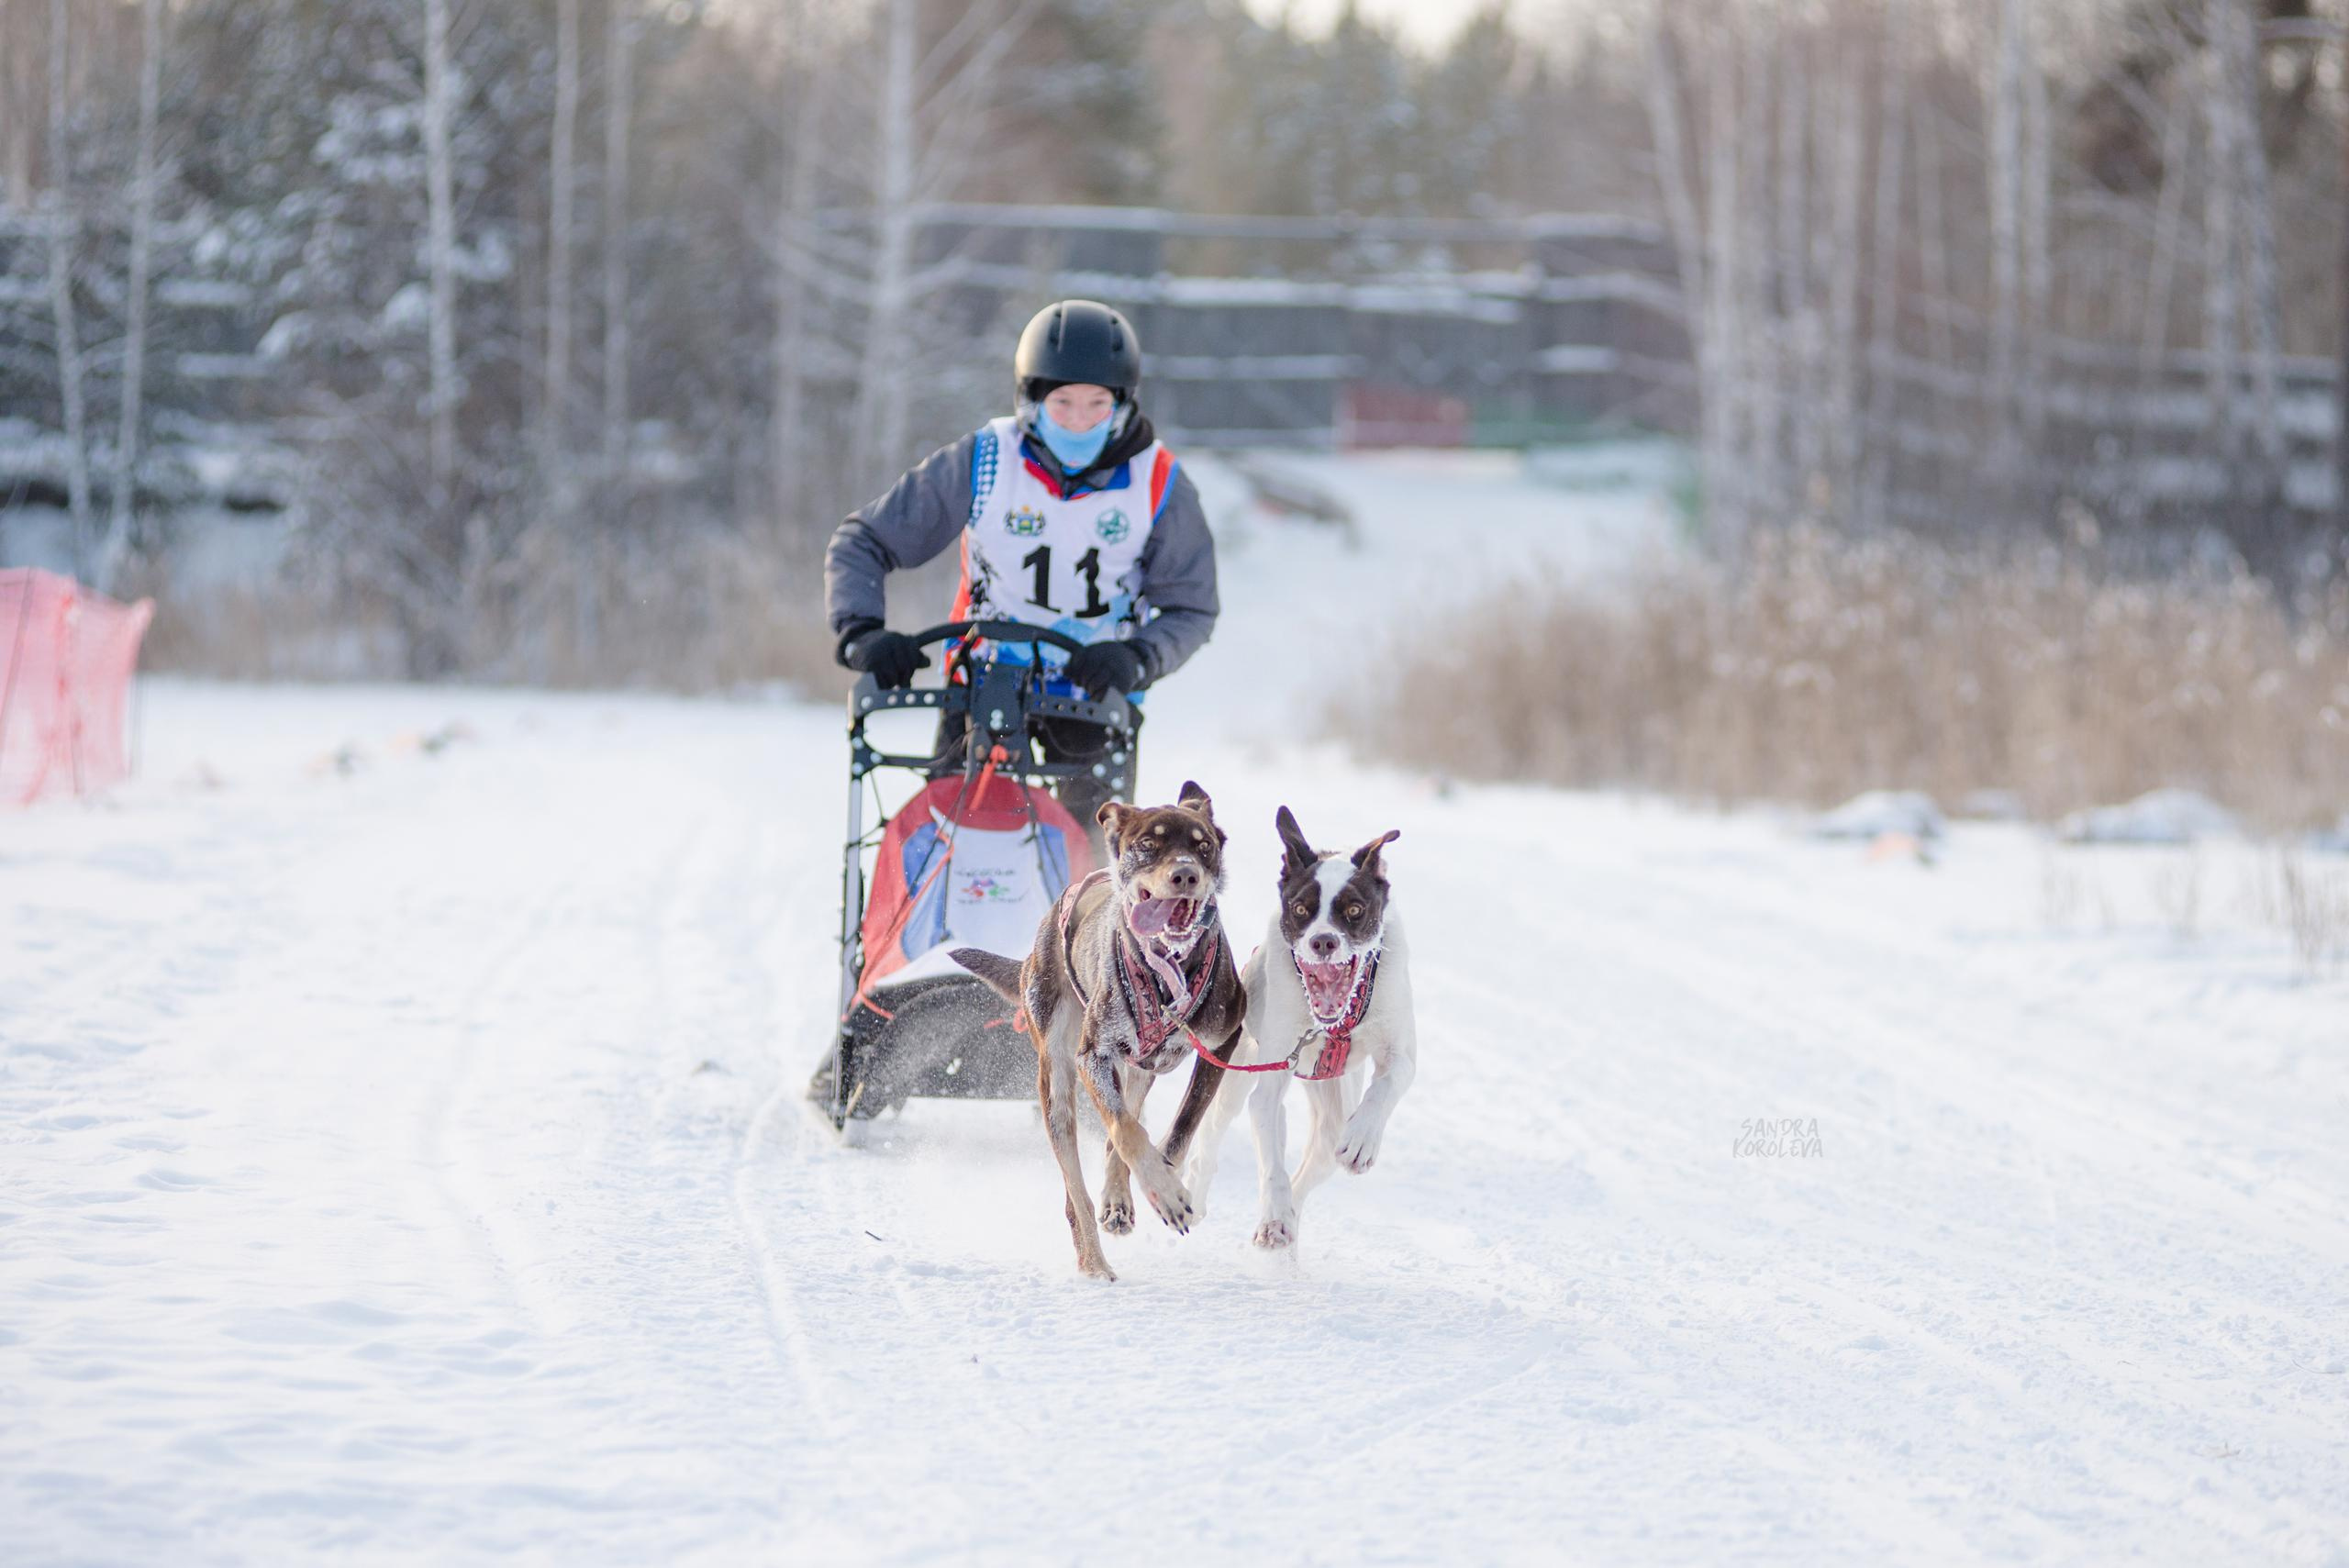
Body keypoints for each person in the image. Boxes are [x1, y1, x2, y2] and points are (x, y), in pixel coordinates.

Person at [824, 298, 1219, 830]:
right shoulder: (985, 461)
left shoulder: (1159, 483)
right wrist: (862, 631)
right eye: (1063, 403)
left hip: (1094, 692)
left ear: (1123, 404)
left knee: (1088, 872)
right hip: (983, 682)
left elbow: (1191, 608)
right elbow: (863, 540)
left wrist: (1139, 657)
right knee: (955, 841)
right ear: (1031, 399)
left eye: (1096, 404)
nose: (1080, 422)